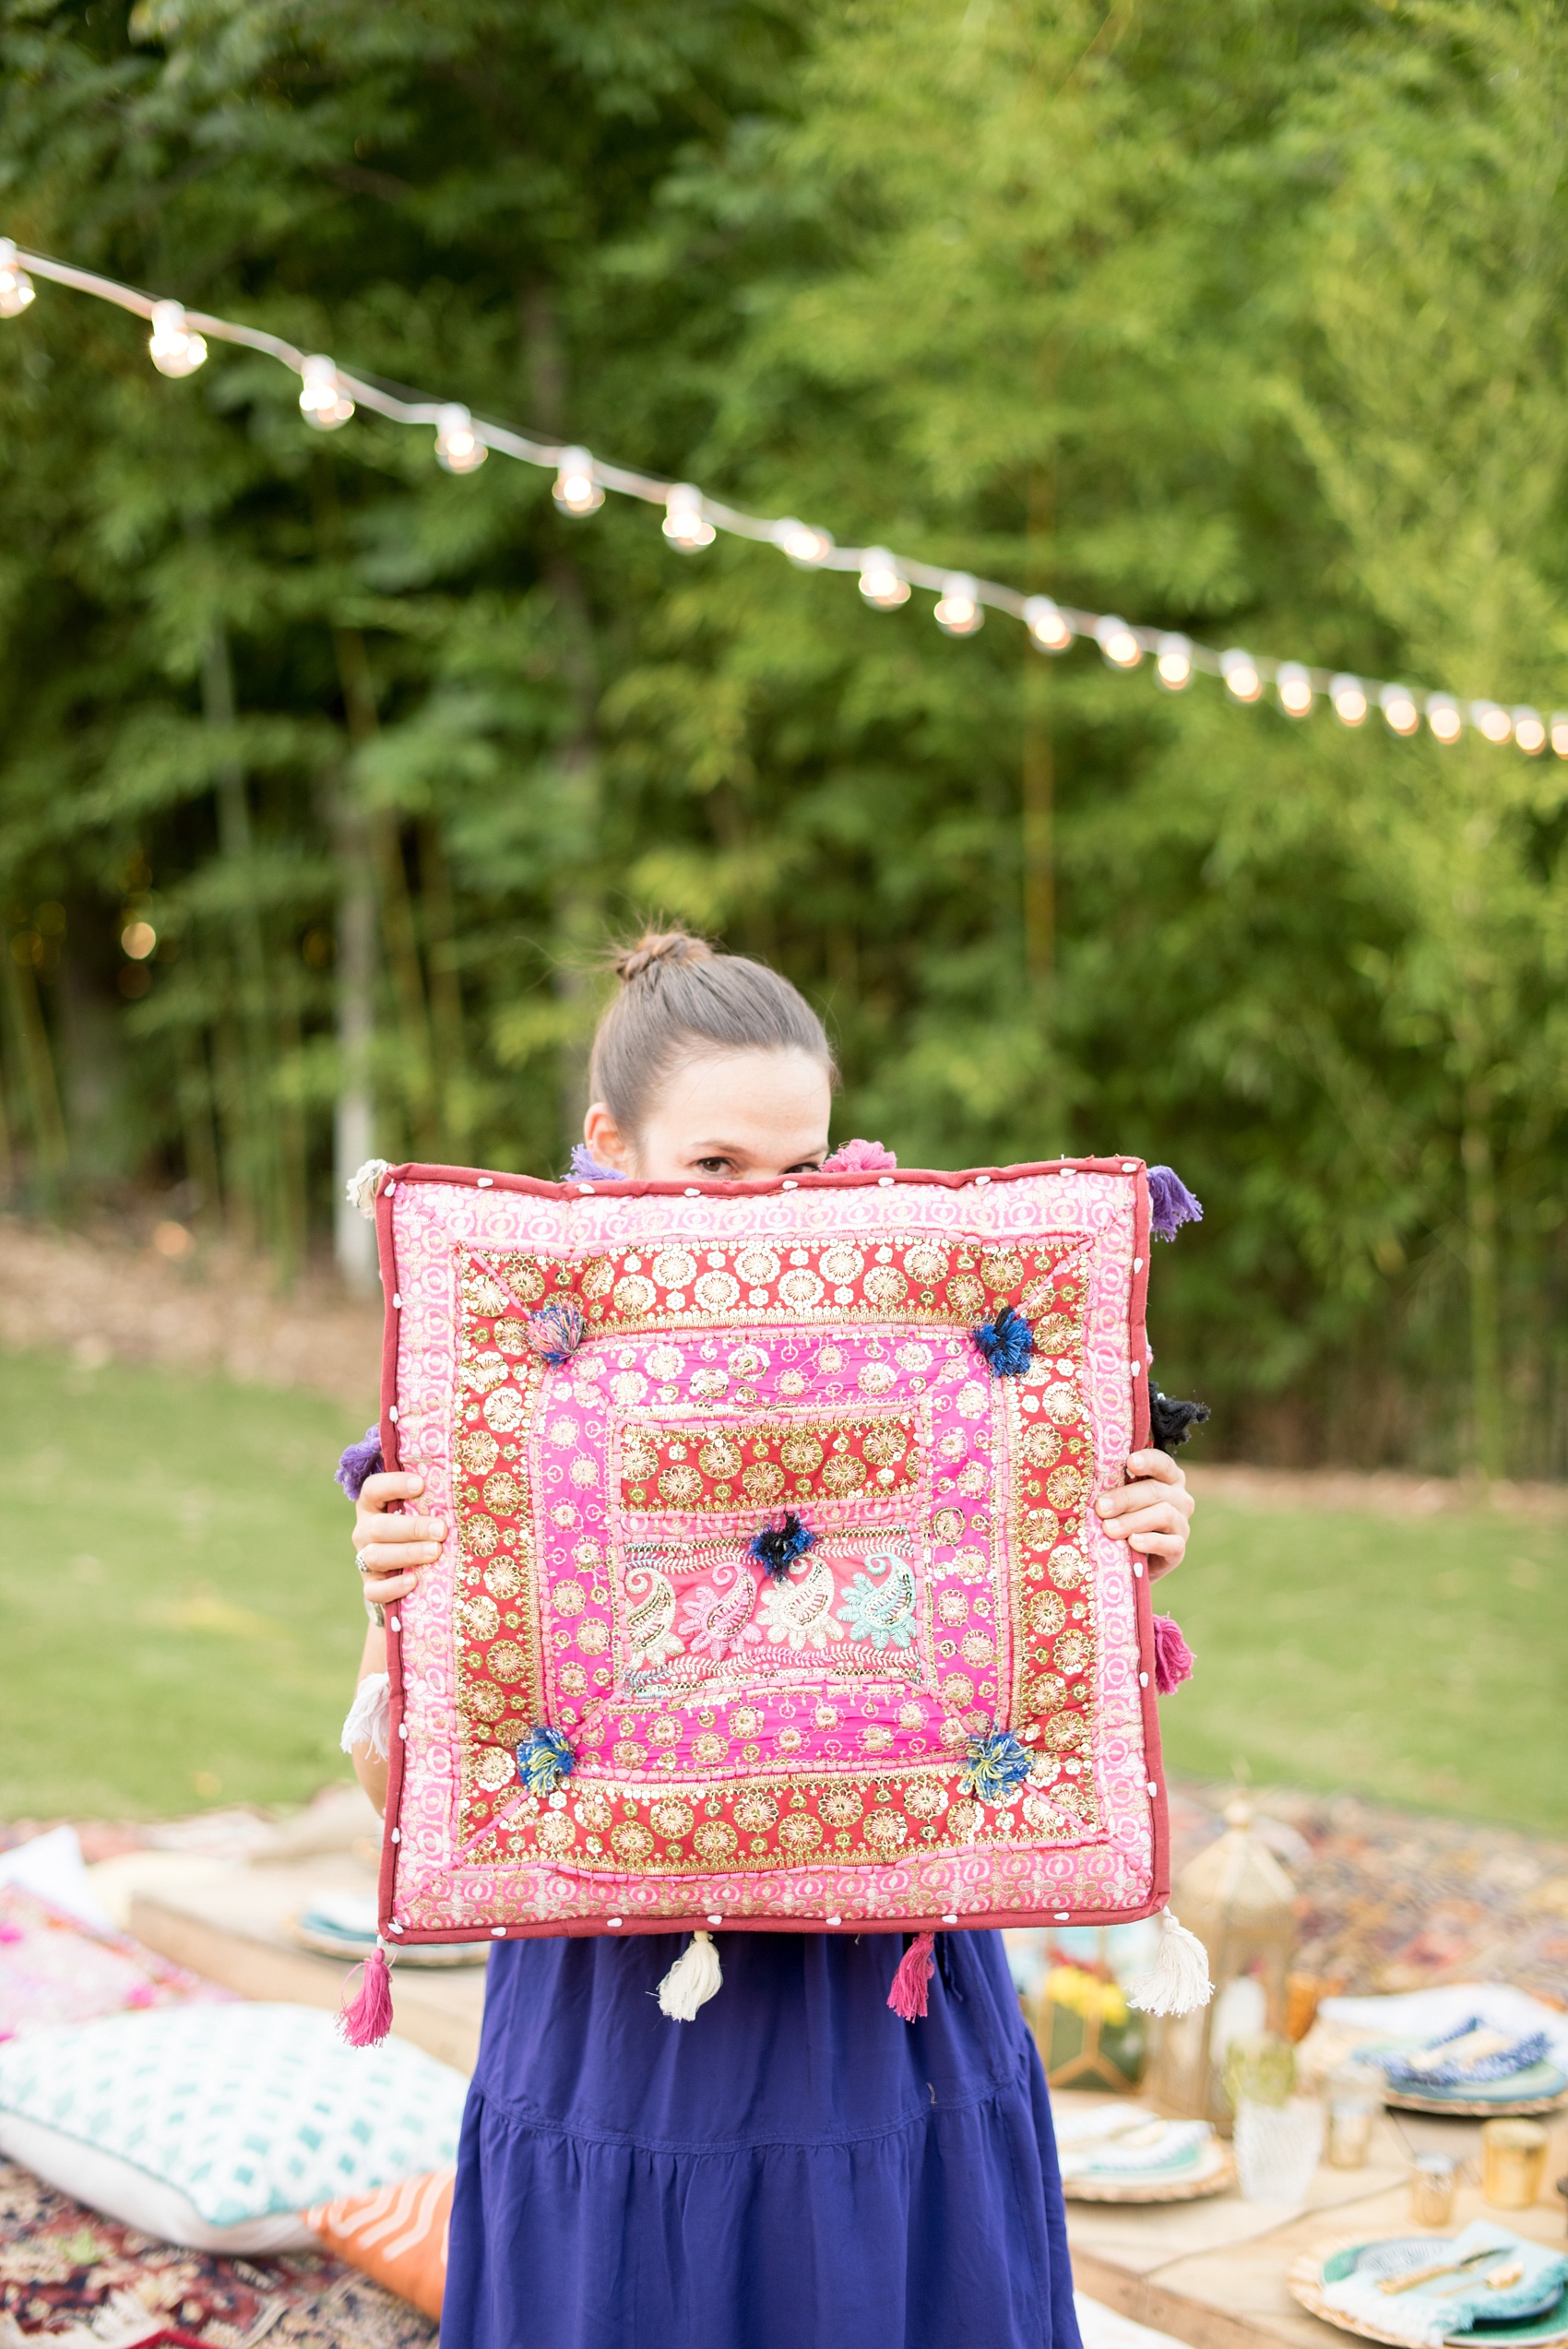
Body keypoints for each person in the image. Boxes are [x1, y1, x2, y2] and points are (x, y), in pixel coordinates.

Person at [344, 931, 1196, 2349]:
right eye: (717, 1165)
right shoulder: (506, 1376)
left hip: (885, 2020)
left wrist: (1120, 1536)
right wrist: (399, 1622)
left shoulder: (918, 1352)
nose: (762, 1206)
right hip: (623, 2021)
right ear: (608, 1146)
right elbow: (400, 1795)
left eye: (800, 1169)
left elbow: (1014, 1640)